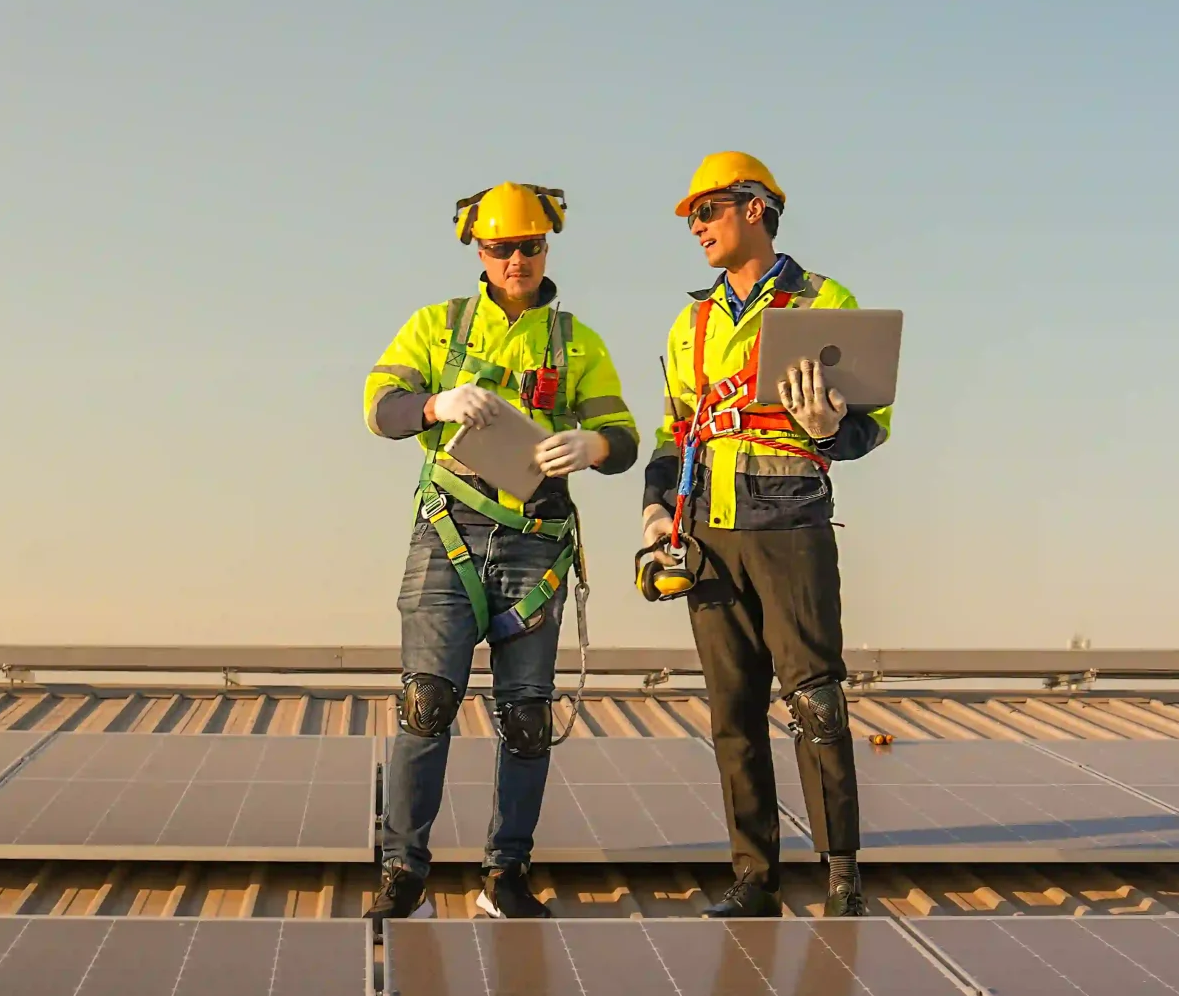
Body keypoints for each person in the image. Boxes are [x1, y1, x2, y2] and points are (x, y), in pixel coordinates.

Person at [362, 183, 638, 920]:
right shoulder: (438, 328)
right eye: (501, 247)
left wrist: (596, 443)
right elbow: (379, 408)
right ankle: (403, 874)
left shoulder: (576, 341)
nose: (516, 259)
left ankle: (506, 872)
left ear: (548, 247)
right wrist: (433, 405)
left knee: (526, 717)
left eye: (529, 246)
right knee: (427, 703)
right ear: (477, 252)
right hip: (449, 533)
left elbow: (625, 438)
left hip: (536, 544)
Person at [640, 153, 892, 918]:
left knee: (815, 700)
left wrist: (832, 426)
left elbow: (871, 424)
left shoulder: (823, 299)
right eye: (690, 217)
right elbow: (673, 428)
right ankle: (754, 876)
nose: (696, 227)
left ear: (755, 208)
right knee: (733, 710)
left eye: (707, 210)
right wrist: (656, 515)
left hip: (790, 520)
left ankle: (842, 874)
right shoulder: (693, 321)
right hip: (709, 532)